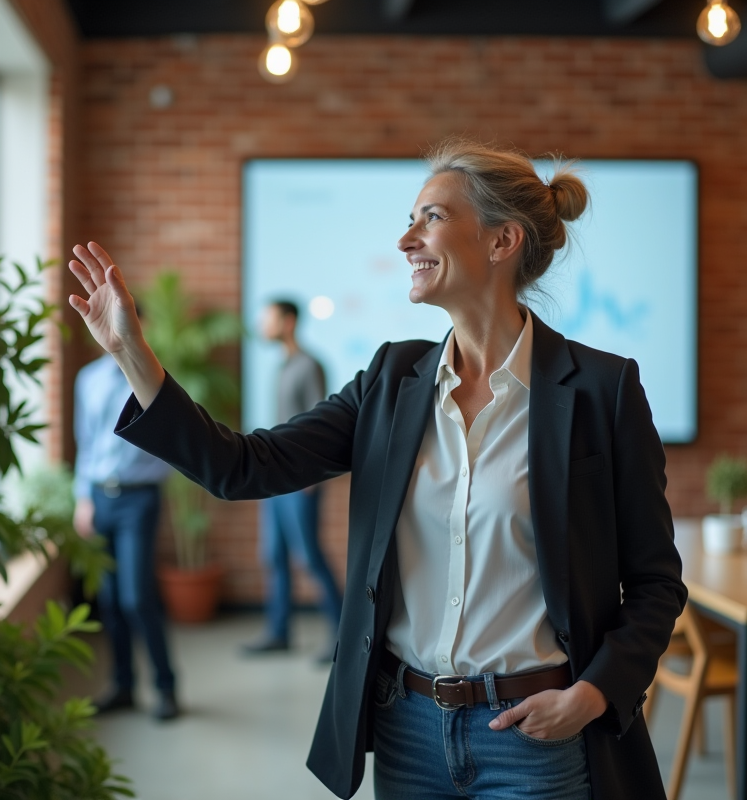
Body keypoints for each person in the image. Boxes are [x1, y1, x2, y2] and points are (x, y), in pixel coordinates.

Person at [67, 138, 686, 799]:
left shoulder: (601, 390)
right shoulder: (391, 381)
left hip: (535, 738)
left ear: (503, 241)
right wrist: (133, 356)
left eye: (431, 219)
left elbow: (654, 583)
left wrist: (593, 695)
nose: (405, 240)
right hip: (407, 731)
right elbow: (240, 467)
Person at [73, 339, 179, 722]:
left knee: (137, 597)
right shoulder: (87, 379)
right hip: (101, 498)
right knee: (111, 600)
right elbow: (85, 442)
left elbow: (172, 437)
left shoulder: (154, 377)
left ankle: (166, 687)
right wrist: (82, 498)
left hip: (140, 498)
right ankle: (123, 687)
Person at [242, 299, 344, 659]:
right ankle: (278, 631)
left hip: (300, 481)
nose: (261, 324)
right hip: (276, 478)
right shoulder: (283, 365)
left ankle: (341, 635)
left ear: (287, 321)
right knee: (275, 554)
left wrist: (310, 478)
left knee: (309, 555)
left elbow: (319, 425)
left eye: (266, 317)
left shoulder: (308, 365)